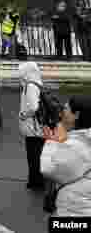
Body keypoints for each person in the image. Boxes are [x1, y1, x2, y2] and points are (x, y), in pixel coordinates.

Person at [40, 95, 91, 217]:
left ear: (77, 115)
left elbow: (49, 169)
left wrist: (51, 143)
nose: (62, 113)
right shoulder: (84, 140)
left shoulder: (76, 146)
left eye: (65, 109)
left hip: (74, 212)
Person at [18, 61, 46, 190]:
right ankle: (37, 180)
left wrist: (24, 114)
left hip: (32, 127)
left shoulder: (30, 86)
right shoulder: (36, 84)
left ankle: (35, 181)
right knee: (37, 154)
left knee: (33, 155)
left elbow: (34, 107)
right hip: (36, 127)